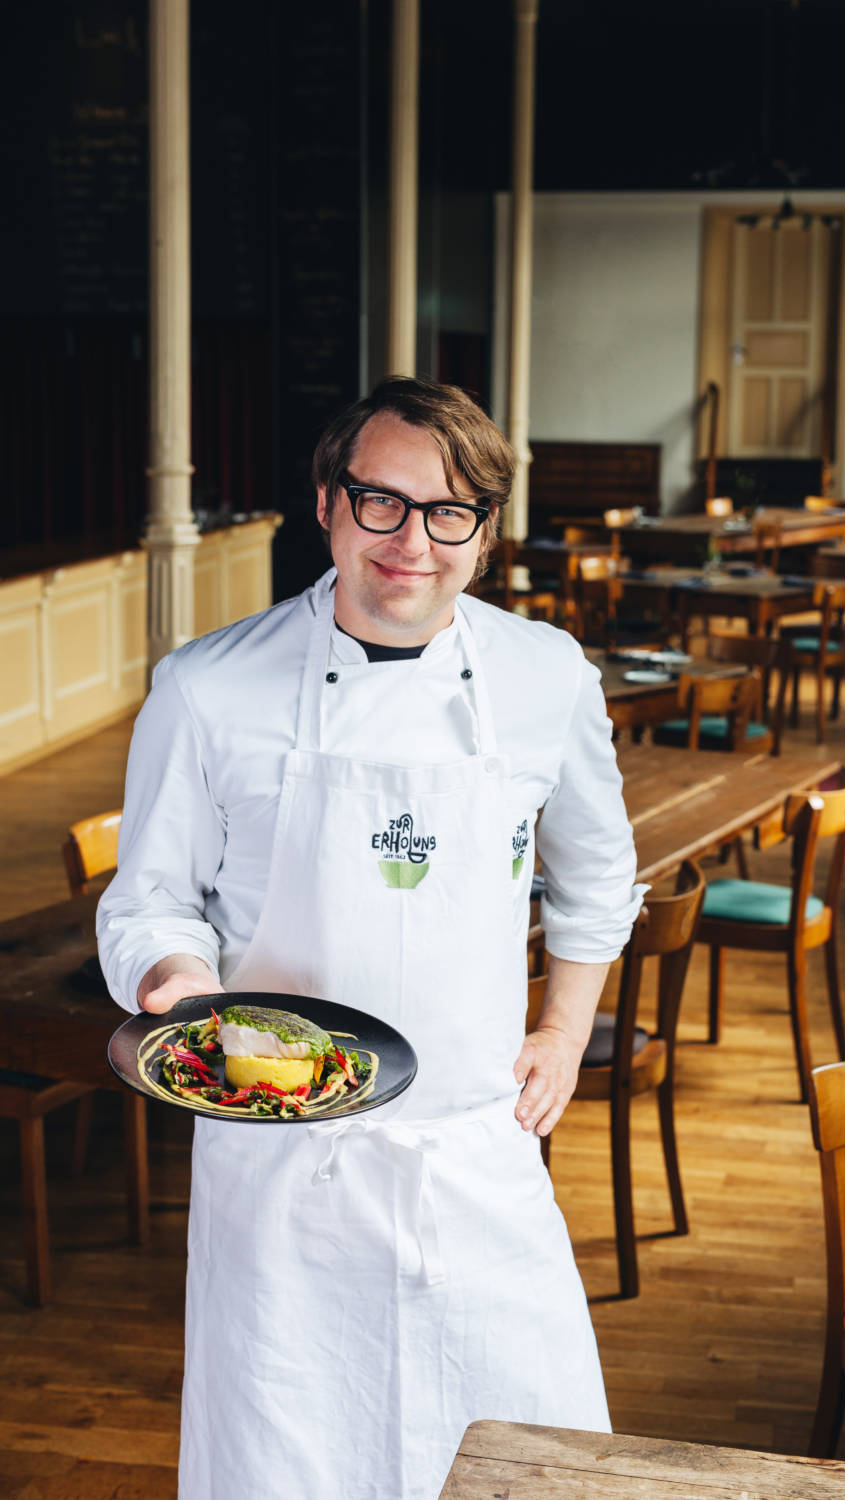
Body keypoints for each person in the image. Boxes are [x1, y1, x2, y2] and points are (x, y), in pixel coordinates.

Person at [98, 376, 644, 1500]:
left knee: (522, 1448)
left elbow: (597, 879)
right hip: (278, 1161)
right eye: (380, 503)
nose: (413, 542)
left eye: (450, 513)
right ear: (327, 504)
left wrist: (561, 1026)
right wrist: (182, 987)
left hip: (472, 1142)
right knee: (285, 1452)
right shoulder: (206, 689)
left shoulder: (545, 678)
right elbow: (146, 900)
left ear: (486, 534)